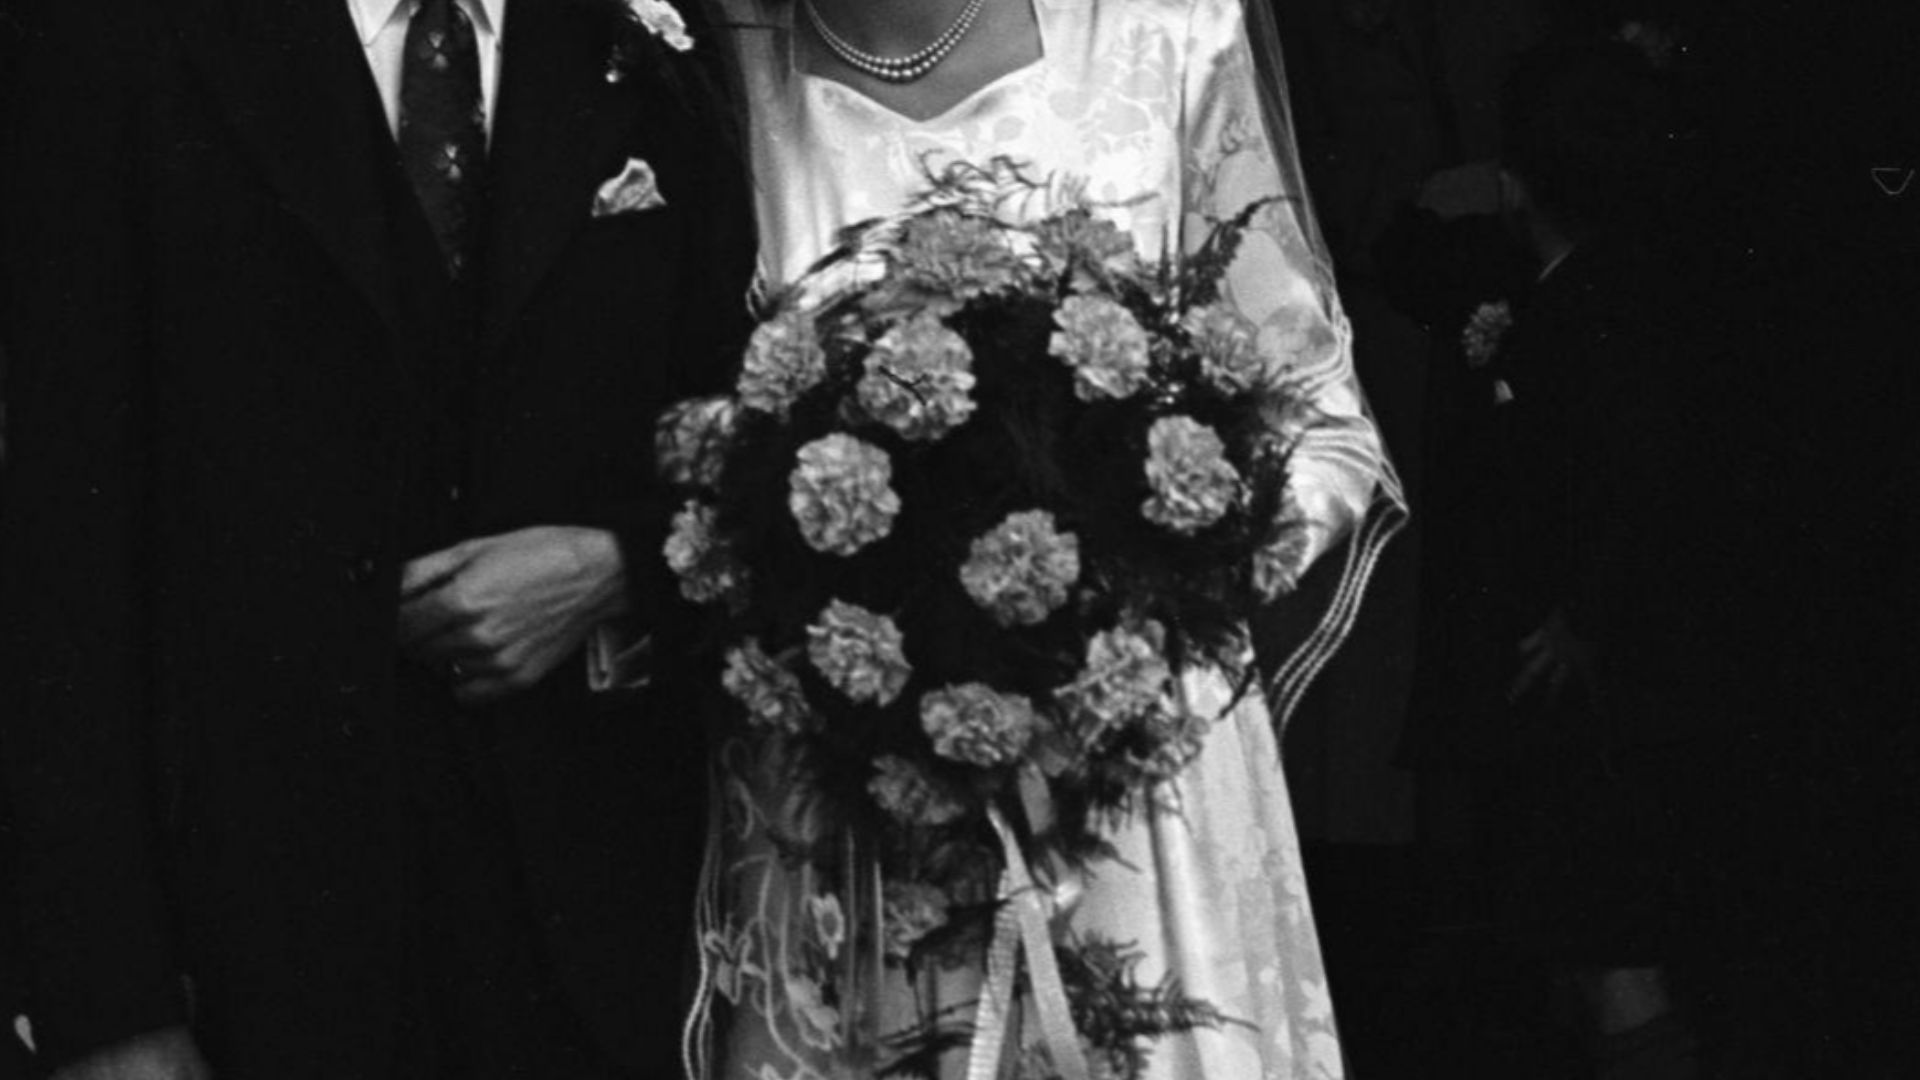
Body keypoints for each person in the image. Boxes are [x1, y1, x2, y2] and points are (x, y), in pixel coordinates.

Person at [0, 0, 753, 1077]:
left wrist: (617, 568)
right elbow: (60, 546)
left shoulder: (658, 33)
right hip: (256, 928)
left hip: (597, 926)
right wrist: (108, 1003)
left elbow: (736, 429)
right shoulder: (119, 37)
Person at [693, 1, 1406, 1076]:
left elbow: (1317, 418)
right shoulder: (718, 71)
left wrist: (1156, 578)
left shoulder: (1172, 39)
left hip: (1128, 770)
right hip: (856, 802)